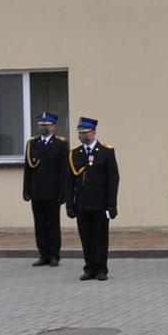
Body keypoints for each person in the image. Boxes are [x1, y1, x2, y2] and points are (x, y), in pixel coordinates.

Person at [66, 116, 118, 281]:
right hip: (81, 204)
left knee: (101, 237)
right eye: (80, 133)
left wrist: (112, 204)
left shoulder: (106, 152)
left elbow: (113, 179)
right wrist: (69, 204)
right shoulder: (74, 154)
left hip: (100, 204)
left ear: (94, 132)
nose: (81, 136)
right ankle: (89, 268)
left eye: (85, 132)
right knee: (86, 238)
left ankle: (101, 269)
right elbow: (69, 181)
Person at [22, 112, 68, 268]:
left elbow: (64, 171)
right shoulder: (32, 144)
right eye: (41, 124)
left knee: (53, 225)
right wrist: (26, 190)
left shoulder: (61, 144)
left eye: (46, 125)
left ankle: (54, 255)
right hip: (36, 191)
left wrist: (63, 192)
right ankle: (43, 255)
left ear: (53, 126)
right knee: (39, 224)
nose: (43, 127)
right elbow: (28, 169)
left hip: (53, 192)